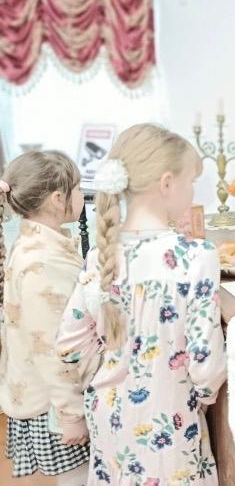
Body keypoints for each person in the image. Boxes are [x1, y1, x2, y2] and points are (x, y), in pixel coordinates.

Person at [57, 124, 227, 485]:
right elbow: (205, 365)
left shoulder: (100, 256)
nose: (193, 192)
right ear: (166, 184)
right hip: (169, 420)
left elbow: (70, 345)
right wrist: (205, 395)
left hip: (107, 414)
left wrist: (113, 368)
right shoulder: (196, 256)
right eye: (191, 182)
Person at [0, 151, 91, 485]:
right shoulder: (42, 262)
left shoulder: (35, 244)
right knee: (79, 480)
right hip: (55, 404)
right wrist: (72, 413)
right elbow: (52, 346)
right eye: (78, 188)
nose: (82, 195)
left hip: (50, 397)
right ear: (57, 199)